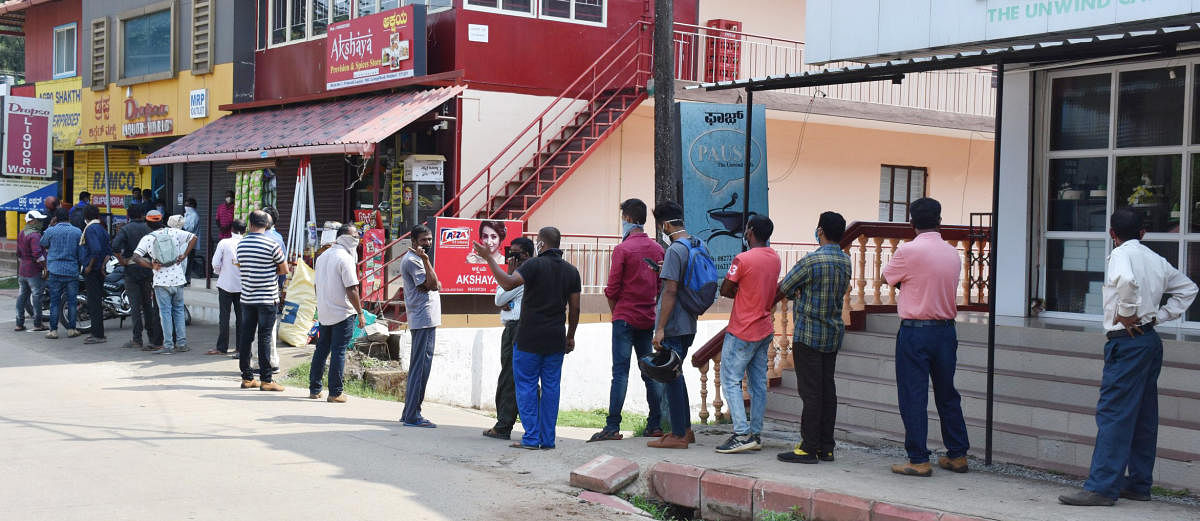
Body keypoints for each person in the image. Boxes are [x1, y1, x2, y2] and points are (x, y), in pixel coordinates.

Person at [1058, 209, 1198, 507]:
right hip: (1148, 340)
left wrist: (1129, 310)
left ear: (1112, 234)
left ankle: (1101, 487)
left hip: (1127, 341)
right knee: (1144, 415)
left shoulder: (1121, 254)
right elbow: (1188, 288)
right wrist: (1160, 316)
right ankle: (1138, 483)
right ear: (1143, 232)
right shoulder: (1155, 258)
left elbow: (1125, 281)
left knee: (1114, 413)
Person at [879, 197, 970, 477]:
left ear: (911, 222)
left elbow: (886, 278)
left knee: (913, 395)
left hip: (915, 331)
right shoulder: (952, 253)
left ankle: (918, 458)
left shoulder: (908, 251)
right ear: (939, 221)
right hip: (945, 330)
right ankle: (957, 454)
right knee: (947, 393)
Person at [475, 227, 581, 449]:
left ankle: (531, 438)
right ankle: (548, 439)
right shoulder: (571, 271)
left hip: (528, 338)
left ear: (541, 244)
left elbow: (507, 283)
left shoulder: (533, 265)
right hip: (555, 337)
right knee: (551, 387)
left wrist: (489, 259)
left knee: (526, 387)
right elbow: (575, 308)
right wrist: (570, 336)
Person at [775, 211, 852, 464]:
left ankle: (808, 447)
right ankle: (826, 446)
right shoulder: (845, 261)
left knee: (810, 393)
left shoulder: (810, 261)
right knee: (827, 390)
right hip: (832, 333)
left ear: (820, 231)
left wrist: (799, 292)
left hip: (808, 334)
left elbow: (785, 287)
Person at [591, 198, 666, 442]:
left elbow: (612, 289)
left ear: (629, 219)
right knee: (650, 372)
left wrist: (617, 312)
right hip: (647, 317)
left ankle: (612, 426)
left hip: (625, 317)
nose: (622, 222)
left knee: (620, 373)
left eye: (623, 217)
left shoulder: (622, 249)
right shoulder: (657, 249)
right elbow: (659, 287)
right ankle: (655, 424)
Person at [714, 215, 780, 454]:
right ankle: (755, 433)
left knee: (730, 379)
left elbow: (726, 289)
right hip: (764, 327)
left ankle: (741, 433)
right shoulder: (775, 258)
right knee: (758, 384)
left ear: (750, 231)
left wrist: (739, 288)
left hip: (742, 328)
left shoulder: (742, 258)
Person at [648, 201, 703, 449]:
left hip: (674, 323)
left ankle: (678, 434)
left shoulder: (674, 250)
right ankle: (686, 429)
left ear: (666, 224)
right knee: (676, 373)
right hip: (689, 320)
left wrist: (660, 328)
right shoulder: (699, 244)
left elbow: (670, 291)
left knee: (670, 375)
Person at [483, 237, 535, 441]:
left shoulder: (522, 275)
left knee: (510, 378)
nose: (511, 257)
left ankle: (504, 424)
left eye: (516, 254)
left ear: (526, 256)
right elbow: (503, 298)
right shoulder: (520, 275)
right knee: (523, 377)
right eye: (510, 252)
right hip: (519, 326)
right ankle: (532, 424)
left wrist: (510, 276)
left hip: (517, 328)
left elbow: (499, 298)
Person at [309, 223, 366, 403]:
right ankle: (335, 392)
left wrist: (321, 305)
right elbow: (352, 289)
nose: (357, 239)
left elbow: (316, 285)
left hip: (325, 312)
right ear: (345, 237)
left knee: (322, 349)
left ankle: (315, 389)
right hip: (343, 312)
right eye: (355, 235)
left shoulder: (322, 256)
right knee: (339, 351)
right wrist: (361, 312)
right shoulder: (345, 258)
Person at [235, 210, 289, 391]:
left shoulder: (241, 244)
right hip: (267, 298)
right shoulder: (272, 244)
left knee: (246, 337)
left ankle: (247, 377)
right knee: (264, 337)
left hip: (247, 297)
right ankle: (266, 379)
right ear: (267, 225)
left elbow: (241, 266)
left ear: (250, 225)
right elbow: (284, 269)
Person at [132, 210, 197, 355]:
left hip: (161, 281)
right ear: (161, 220)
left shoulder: (148, 238)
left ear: (148, 223)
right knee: (179, 311)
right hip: (178, 279)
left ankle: (168, 346)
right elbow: (193, 238)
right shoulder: (173, 232)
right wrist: (184, 255)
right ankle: (182, 343)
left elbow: (136, 257)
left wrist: (151, 266)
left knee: (165, 313)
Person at [399, 224, 442, 427]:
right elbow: (433, 285)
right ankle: (413, 415)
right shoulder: (415, 261)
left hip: (424, 319)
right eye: (424, 240)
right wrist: (425, 260)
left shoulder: (417, 260)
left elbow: (435, 284)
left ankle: (408, 411)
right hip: (423, 319)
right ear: (414, 241)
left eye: (430, 239)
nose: (428, 243)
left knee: (419, 366)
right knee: (421, 368)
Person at [113, 206, 162, 351]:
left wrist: (122, 261)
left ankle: (137, 339)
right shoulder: (150, 228)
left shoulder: (126, 229)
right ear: (142, 214)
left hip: (132, 270)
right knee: (148, 305)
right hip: (149, 269)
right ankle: (152, 337)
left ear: (128, 215)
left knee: (135, 307)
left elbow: (115, 246)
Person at [40, 207, 82, 339]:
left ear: (55, 218)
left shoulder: (51, 231)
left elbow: (42, 243)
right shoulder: (77, 231)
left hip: (55, 271)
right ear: (69, 217)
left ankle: (53, 330)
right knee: (72, 302)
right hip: (71, 270)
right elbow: (80, 251)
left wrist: (50, 226)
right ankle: (71, 329)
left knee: (54, 302)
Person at [208, 219, 245, 356]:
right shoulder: (246, 243)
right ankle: (240, 347)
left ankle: (222, 347)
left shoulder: (224, 243)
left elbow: (215, 263)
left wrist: (220, 272)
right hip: (242, 286)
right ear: (245, 230)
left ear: (231, 229)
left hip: (225, 284)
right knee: (241, 317)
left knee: (224, 316)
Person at [79, 205, 112, 344]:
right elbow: (108, 251)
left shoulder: (91, 229)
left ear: (86, 216)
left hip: (92, 270)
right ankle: (99, 333)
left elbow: (96, 250)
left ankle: (97, 334)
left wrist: (89, 266)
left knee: (94, 303)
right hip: (100, 269)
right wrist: (103, 266)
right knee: (96, 301)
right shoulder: (102, 228)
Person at [15, 210, 48, 332]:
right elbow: (37, 254)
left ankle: (19, 323)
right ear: (32, 221)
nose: (40, 223)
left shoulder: (22, 233)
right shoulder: (35, 235)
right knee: (37, 297)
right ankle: (38, 323)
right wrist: (45, 266)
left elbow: (18, 252)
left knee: (22, 296)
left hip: (23, 269)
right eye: (39, 220)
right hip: (34, 271)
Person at [183, 197, 203, 280]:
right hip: (185, 242)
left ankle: (186, 278)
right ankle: (200, 272)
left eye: (187, 205)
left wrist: (181, 225)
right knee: (187, 260)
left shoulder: (194, 215)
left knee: (188, 261)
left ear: (192, 206)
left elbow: (190, 228)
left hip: (190, 242)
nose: (186, 207)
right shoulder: (187, 215)